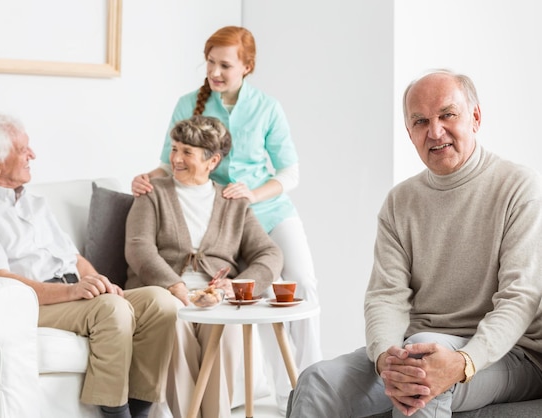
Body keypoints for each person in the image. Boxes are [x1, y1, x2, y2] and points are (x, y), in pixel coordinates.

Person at [287, 69, 542, 417]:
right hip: (418, 346)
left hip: (508, 354)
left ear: (476, 118)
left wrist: (465, 361)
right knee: (317, 380)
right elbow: (385, 295)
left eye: (447, 115)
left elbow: (519, 297)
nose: (435, 132)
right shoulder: (400, 201)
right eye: (420, 121)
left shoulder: (517, 187)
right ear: (410, 133)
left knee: (424, 367)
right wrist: (384, 358)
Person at [131, 25, 321, 413]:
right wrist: (146, 178)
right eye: (210, 63)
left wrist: (253, 193)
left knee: (300, 282)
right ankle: (279, 390)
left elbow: (290, 173)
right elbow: (175, 161)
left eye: (225, 65)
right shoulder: (190, 103)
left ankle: (314, 385)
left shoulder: (267, 107)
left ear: (247, 67)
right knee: (255, 300)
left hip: (264, 209)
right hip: (220, 216)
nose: (214, 72)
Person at [0, 112, 179, 418]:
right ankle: (115, 414)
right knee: (112, 309)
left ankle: (140, 410)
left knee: (161, 302)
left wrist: (100, 282)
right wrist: (74, 293)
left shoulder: (33, 200)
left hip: (74, 294)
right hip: (32, 304)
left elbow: (75, 259)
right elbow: (0, 283)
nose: (32, 155)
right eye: (23, 150)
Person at [125, 115, 283, 418]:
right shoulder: (152, 193)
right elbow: (138, 248)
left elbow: (269, 253)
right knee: (172, 322)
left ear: (213, 160)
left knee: (227, 328)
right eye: (174, 149)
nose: (176, 159)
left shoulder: (232, 203)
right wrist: (175, 284)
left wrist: (237, 286)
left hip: (217, 296)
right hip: (164, 292)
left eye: (187, 152)